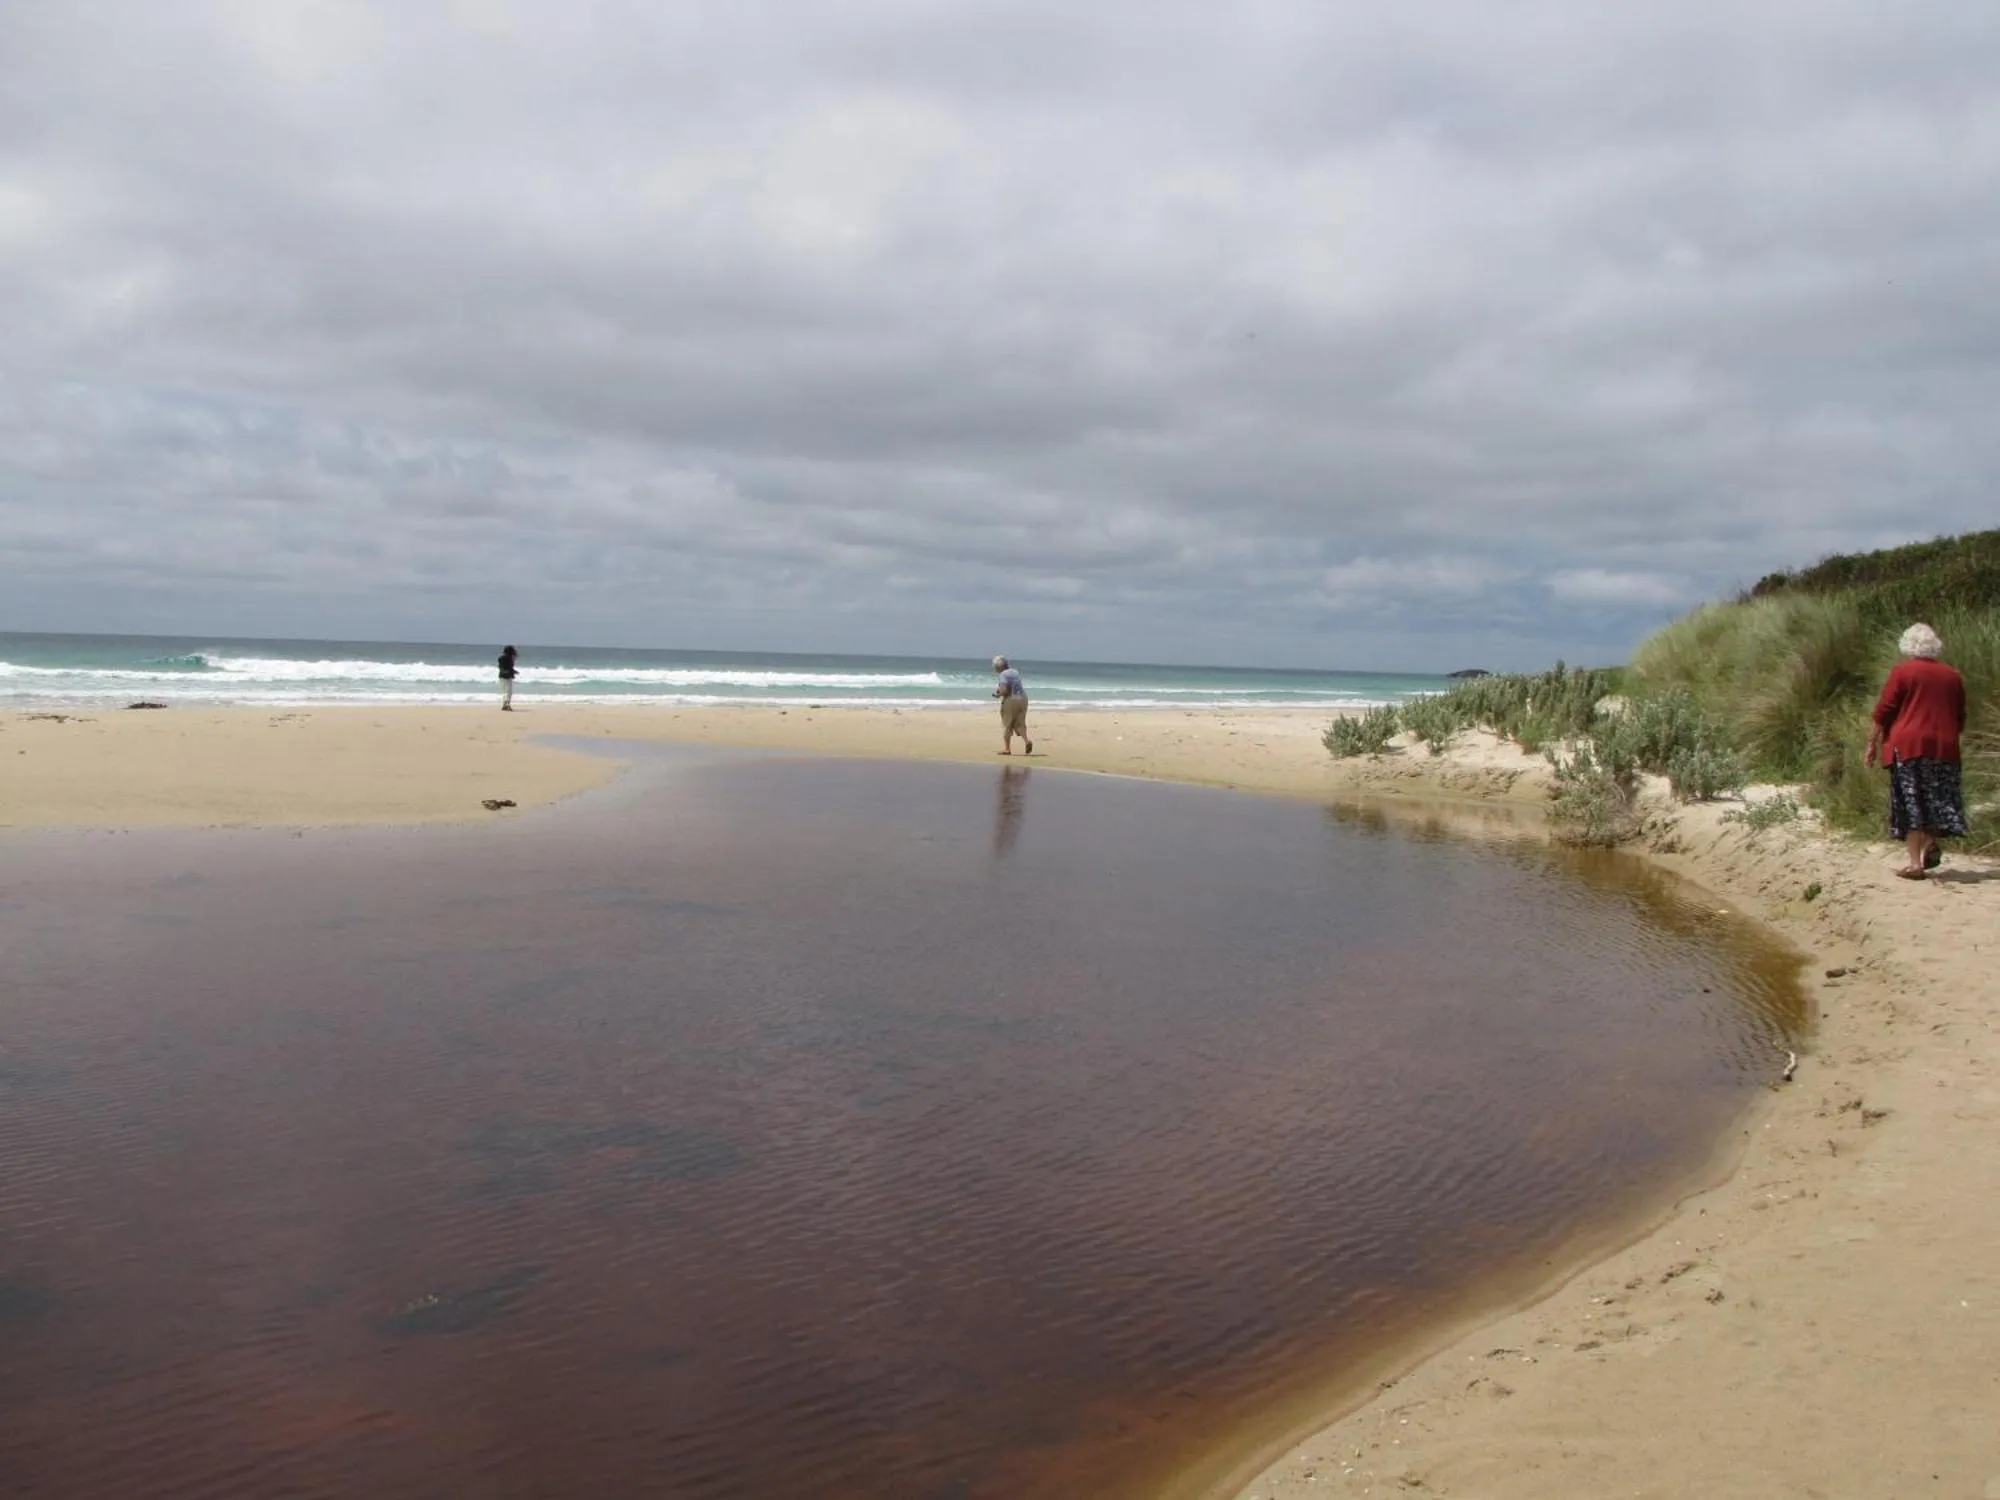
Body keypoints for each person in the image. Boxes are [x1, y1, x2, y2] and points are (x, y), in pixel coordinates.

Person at [1865, 622, 1968, 880]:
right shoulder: (1952, 675)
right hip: (1944, 746)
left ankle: (1914, 864)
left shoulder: (1904, 672)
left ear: (1908, 646)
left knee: (1911, 801)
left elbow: (1884, 711)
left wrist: (1871, 745)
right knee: (1936, 797)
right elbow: (1960, 716)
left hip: (1909, 745)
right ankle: (1931, 841)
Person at [991, 655, 1031, 756]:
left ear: (999, 667)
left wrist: (997, 694)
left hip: (1011, 700)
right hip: (1022, 698)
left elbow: (1005, 689)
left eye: (995, 667)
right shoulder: (1015, 671)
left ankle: (1007, 749)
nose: (995, 669)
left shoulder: (1003, 675)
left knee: (1007, 724)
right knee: (1020, 723)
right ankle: (1026, 741)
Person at [498, 645, 519, 710]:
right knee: (509, 691)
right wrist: (514, 672)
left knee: (504, 690)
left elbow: (500, 667)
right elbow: (510, 668)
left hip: (501, 675)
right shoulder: (510, 658)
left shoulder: (500, 658)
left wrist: (512, 671)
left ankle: (504, 704)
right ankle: (507, 704)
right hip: (508, 675)